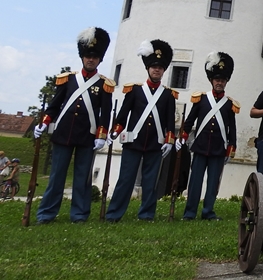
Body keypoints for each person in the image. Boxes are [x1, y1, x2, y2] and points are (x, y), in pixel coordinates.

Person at [34, 27, 114, 224]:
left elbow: (105, 114)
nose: (91, 59)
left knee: (82, 179)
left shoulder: (104, 85)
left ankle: (79, 215)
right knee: (56, 177)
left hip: (87, 135)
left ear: (100, 60)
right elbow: (54, 106)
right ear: (82, 57)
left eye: (94, 57)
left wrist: (101, 136)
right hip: (63, 133)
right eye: (88, 56)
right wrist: (44, 123)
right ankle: (46, 214)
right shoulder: (68, 80)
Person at [105, 39, 177, 222]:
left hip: (155, 143)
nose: (157, 70)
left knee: (150, 182)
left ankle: (146, 214)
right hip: (133, 141)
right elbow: (122, 116)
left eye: (160, 67)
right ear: (148, 68)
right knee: (125, 180)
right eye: (154, 66)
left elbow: (170, 122)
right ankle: (114, 214)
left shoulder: (168, 95)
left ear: (163, 70)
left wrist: (169, 141)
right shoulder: (135, 91)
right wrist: (115, 131)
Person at [177, 51, 239, 221]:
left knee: (213, 183)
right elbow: (189, 121)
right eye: (217, 79)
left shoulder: (229, 105)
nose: (220, 82)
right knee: (195, 182)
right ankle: (190, 213)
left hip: (219, 148)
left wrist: (231, 148)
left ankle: (208, 212)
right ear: (212, 81)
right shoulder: (202, 100)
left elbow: (231, 129)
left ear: (226, 82)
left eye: (223, 80)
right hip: (200, 146)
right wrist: (182, 137)